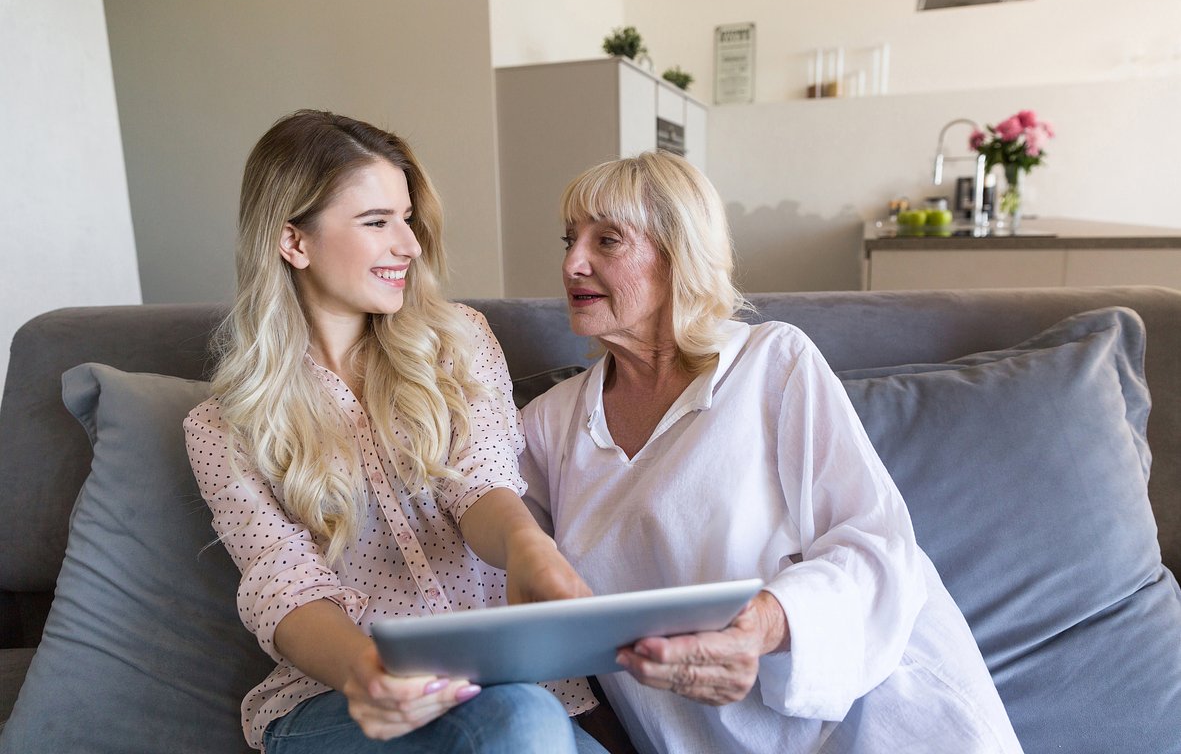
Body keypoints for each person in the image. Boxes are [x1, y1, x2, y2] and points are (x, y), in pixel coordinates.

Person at [519, 150, 1024, 754]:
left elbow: (874, 543)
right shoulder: (550, 424)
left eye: (607, 241)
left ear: (678, 255)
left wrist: (759, 627)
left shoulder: (771, 362)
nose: (572, 264)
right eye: (569, 240)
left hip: (883, 719)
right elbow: (483, 557)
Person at [184, 109, 606, 754]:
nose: (409, 245)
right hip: (343, 702)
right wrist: (373, 673)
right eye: (377, 221)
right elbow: (284, 587)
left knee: (524, 719)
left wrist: (529, 547)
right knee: (523, 721)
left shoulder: (458, 342)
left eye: (406, 218)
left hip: (501, 689)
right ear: (294, 241)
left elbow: (480, 483)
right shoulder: (224, 425)